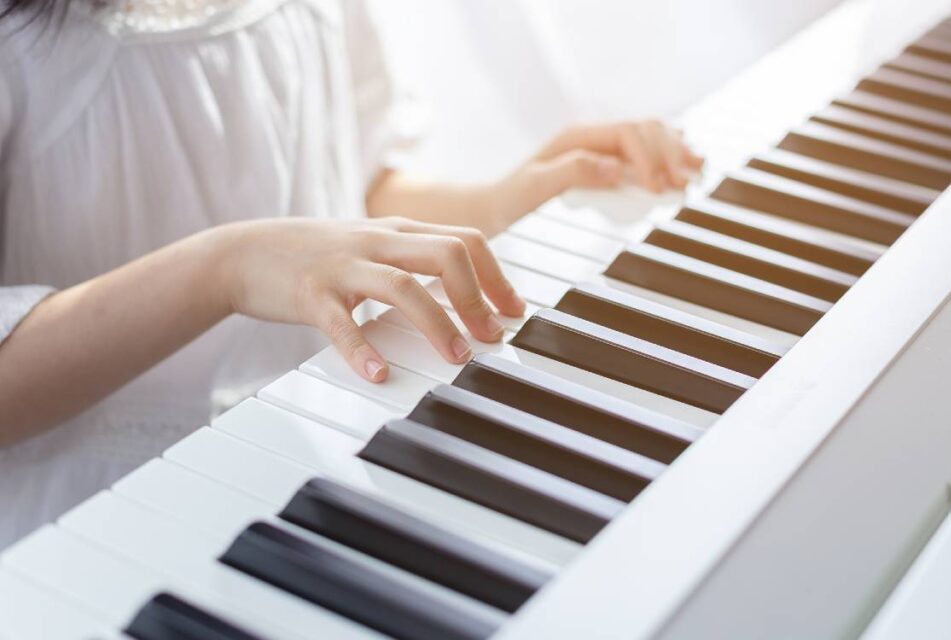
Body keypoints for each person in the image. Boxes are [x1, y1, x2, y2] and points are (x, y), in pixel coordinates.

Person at [0, 0, 702, 547]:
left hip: (316, 453)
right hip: (94, 525)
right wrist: (224, 268)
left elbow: (350, 192)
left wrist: (504, 203)